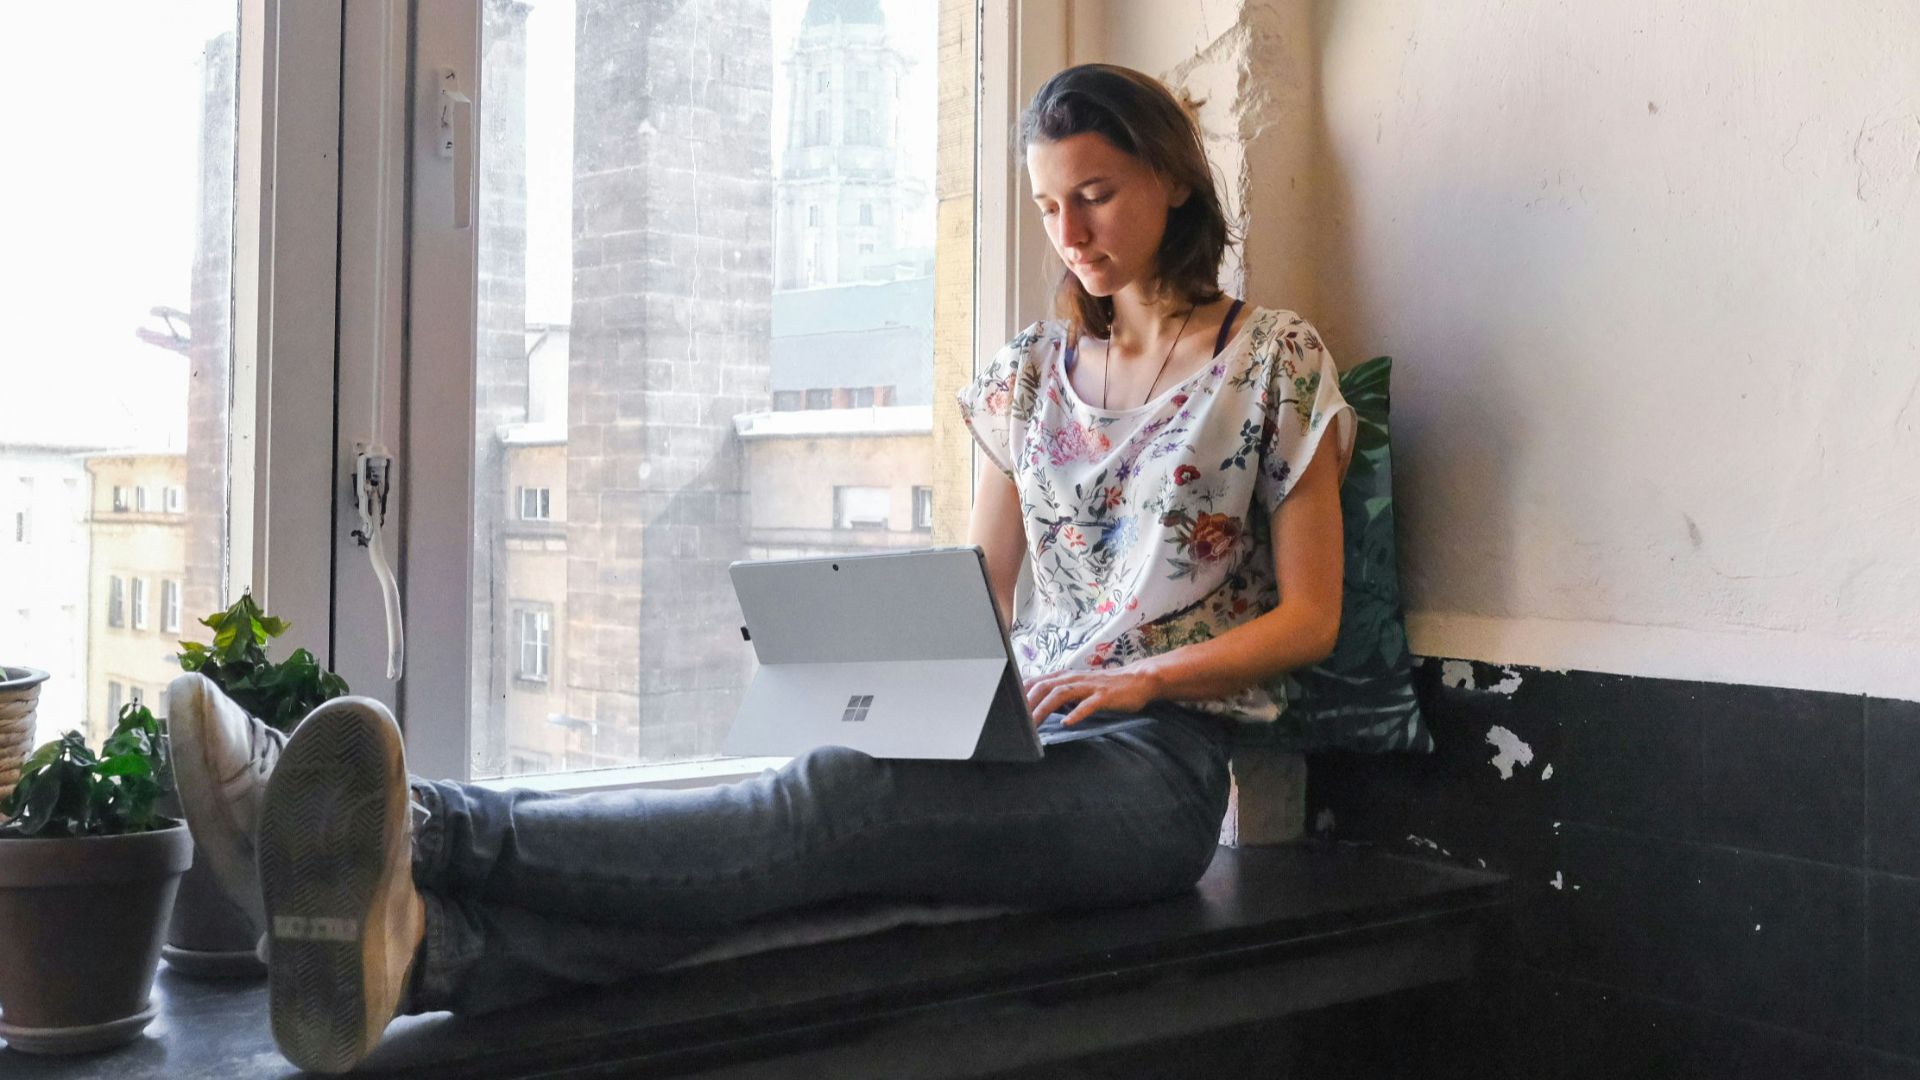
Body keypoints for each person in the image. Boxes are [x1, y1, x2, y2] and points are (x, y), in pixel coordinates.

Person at [166, 62, 1353, 1075]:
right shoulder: (1027, 375)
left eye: (1095, 194)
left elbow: (1310, 619)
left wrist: (1145, 682)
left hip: (1161, 774)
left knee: (841, 806)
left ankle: (397, 826)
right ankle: (428, 954)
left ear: (1176, 180)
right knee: (819, 850)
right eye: (1048, 208)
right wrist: (864, 653)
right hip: (1035, 731)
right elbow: (988, 593)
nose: (1072, 234)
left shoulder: (1276, 359)